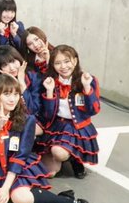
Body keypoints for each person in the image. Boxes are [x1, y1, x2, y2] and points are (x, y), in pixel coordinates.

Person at [0, 74, 93, 203]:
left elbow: (20, 155)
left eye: (16, 94)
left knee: (22, 199)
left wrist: (6, 187)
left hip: (18, 167)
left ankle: (69, 202)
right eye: (7, 94)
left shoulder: (27, 119)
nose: (12, 99)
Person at [39, 45, 100, 179]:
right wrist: (49, 91)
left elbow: (94, 110)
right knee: (50, 173)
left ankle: (75, 160)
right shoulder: (50, 82)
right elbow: (48, 114)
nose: (63, 66)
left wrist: (86, 87)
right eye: (58, 63)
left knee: (59, 153)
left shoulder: (88, 79)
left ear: (75, 61)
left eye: (67, 61)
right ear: (53, 65)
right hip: (57, 125)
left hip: (78, 126)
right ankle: (63, 157)